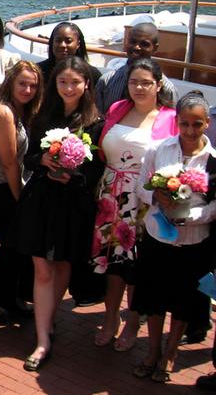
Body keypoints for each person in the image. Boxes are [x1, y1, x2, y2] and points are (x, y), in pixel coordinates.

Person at [9, 57, 104, 371]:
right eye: (62, 82)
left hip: (73, 202)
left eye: (75, 82)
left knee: (63, 263)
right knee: (43, 269)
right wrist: (45, 162)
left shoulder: (94, 121)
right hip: (43, 199)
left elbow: (96, 168)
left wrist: (74, 175)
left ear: (86, 84)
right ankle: (42, 340)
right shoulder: (44, 114)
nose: (68, 88)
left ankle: (47, 320)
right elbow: (30, 157)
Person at [91, 59, 177, 351]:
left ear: (158, 85)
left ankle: (132, 321)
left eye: (145, 83)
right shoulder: (118, 109)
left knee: (136, 267)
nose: (139, 88)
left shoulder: (169, 118)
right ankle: (111, 317)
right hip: (109, 196)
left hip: (143, 201)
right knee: (112, 265)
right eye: (133, 82)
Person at [131, 91, 216, 383]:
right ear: (177, 122)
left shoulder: (214, 160)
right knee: (153, 298)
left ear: (207, 123)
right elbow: (140, 186)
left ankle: (169, 353)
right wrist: (157, 195)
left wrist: (192, 216)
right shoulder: (159, 149)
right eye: (184, 124)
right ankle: (153, 350)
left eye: (197, 124)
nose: (190, 131)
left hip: (193, 242)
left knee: (183, 300)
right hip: (159, 238)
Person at [0, 61, 44, 322]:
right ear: (10, 82)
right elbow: (9, 162)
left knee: (19, 244)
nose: (27, 89)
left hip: (3, 185)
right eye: (22, 83)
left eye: (33, 85)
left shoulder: (19, 111)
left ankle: (11, 297)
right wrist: (19, 198)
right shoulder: (4, 112)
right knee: (13, 244)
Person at [95, 22, 177, 114]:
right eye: (133, 42)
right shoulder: (106, 81)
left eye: (144, 44)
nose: (136, 47)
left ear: (155, 48)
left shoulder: (167, 89)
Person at [37, 22, 102, 86]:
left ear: (78, 44)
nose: (62, 45)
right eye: (58, 41)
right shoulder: (38, 71)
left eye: (68, 41)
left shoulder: (93, 75)